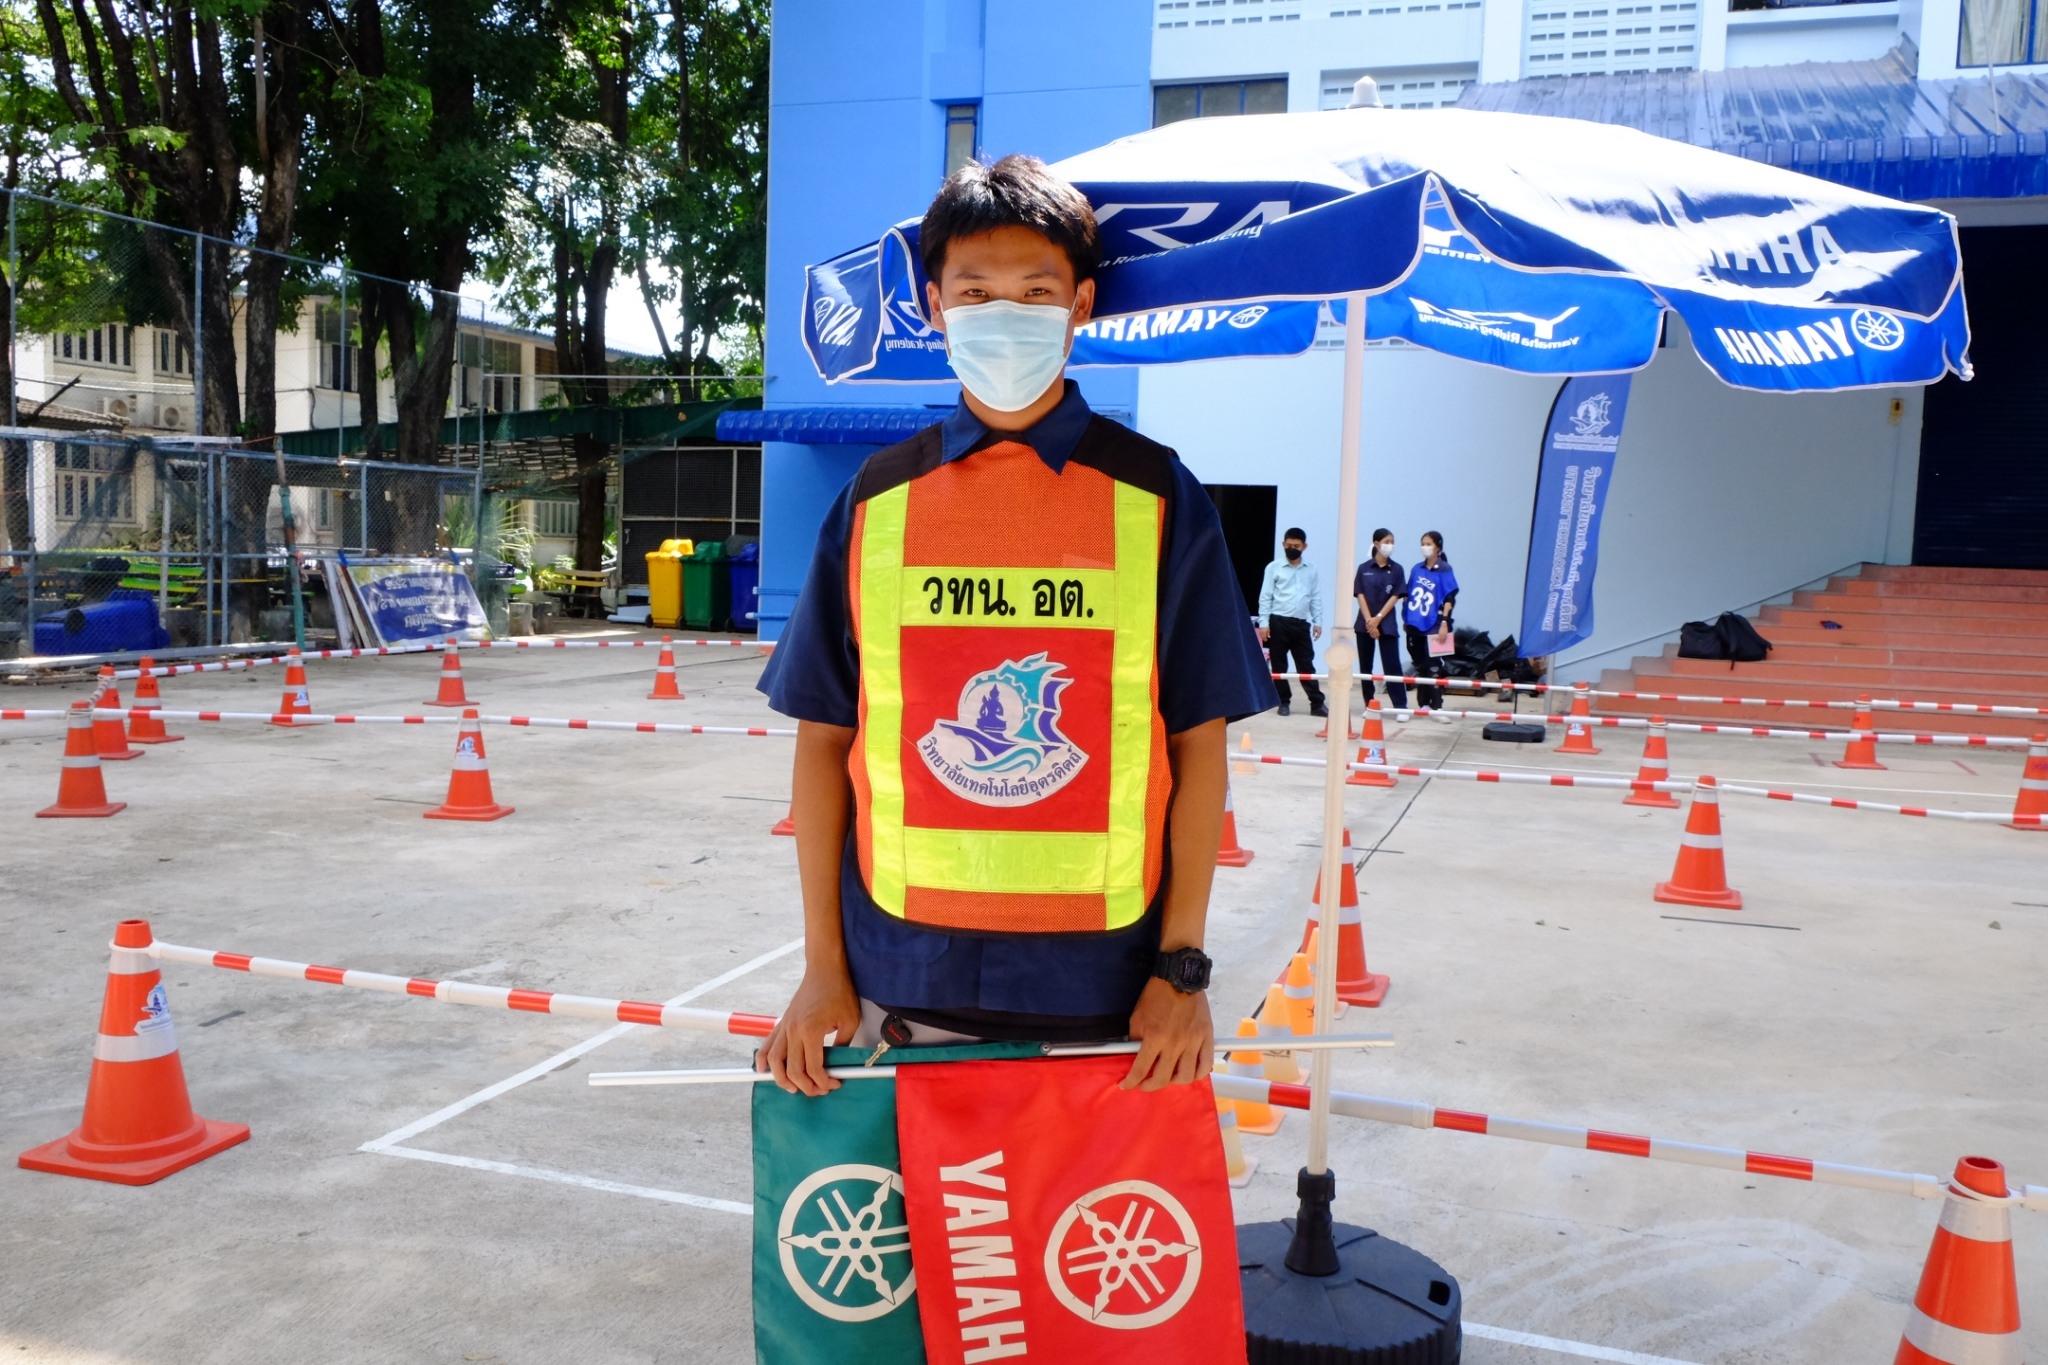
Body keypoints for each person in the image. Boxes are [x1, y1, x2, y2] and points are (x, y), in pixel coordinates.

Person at [756, 155, 1273, 1101]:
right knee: (940, 1248)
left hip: (1110, 994)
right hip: (901, 979)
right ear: (935, 303)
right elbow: (825, 741)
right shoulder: (875, 501)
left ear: (1080, 304)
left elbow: (1200, 750)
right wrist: (822, 966)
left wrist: (1182, 969)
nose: (1005, 314)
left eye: (1035, 291)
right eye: (977, 290)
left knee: (1078, 1249)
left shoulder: (1158, 496)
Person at [1257, 527, 1326, 718]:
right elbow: (1266, 597)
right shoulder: (1273, 568)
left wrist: (1318, 621)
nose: (1292, 549)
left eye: (1296, 546)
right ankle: (1283, 702)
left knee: (1306, 664)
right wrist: (1264, 624)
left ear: (1304, 546)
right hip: (1278, 622)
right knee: (1279, 665)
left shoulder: (1311, 569)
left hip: (1301, 624)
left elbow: (1315, 597)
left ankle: (1317, 703)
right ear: (1283, 545)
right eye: (1289, 545)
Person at [1402, 530, 1460, 722]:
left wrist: (1444, 622)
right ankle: (1423, 704)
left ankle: (1437, 707)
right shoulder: (1416, 569)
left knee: (1435, 666)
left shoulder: (1445, 569)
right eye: (1422, 543)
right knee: (1420, 666)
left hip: (1435, 625)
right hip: (1415, 625)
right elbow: (1409, 594)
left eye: (1428, 543)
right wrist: (1406, 618)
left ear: (1438, 547)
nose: (1424, 547)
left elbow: (1449, 598)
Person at [1352, 528, 1409, 721]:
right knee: (1365, 667)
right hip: (1365, 624)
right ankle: (1370, 704)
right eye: (1386, 541)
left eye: (1392, 541)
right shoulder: (1364, 568)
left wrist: (1378, 618)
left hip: (1387, 623)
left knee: (1392, 665)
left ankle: (1400, 706)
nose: (1390, 545)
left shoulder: (1397, 569)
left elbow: (1396, 596)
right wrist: (1370, 621)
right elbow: (1359, 594)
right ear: (1376, 544)